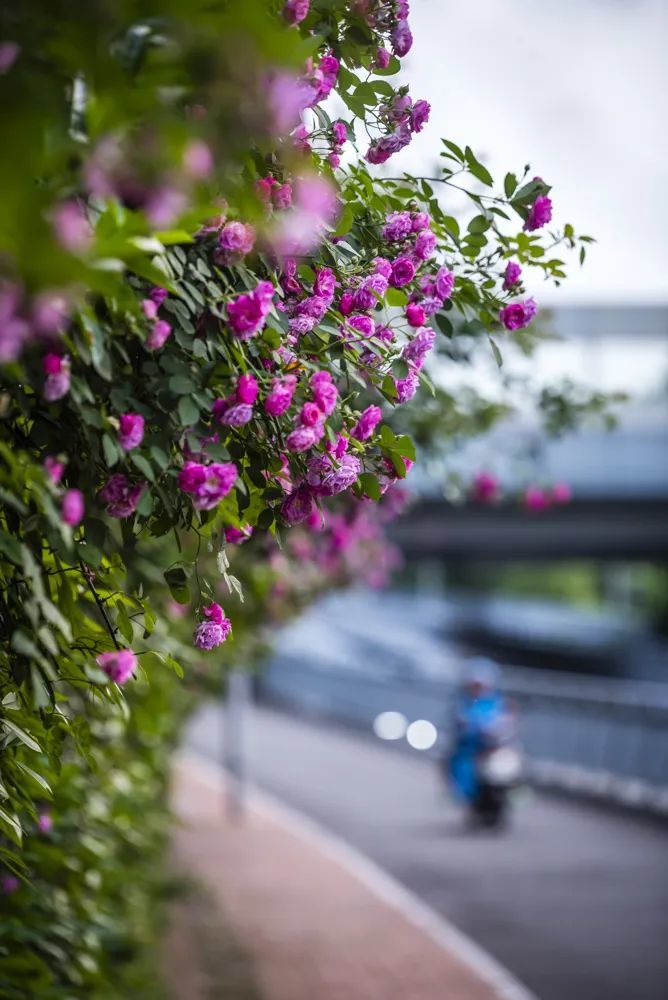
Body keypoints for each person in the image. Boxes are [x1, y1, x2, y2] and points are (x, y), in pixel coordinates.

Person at [447, 657, 513, 808]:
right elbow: (457, 722)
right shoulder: (463, 702)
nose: (477, 688)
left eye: (480, 685)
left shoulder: (499, 702)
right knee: (462, 766)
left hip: (495, 747)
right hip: (471, 748)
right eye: (475, 684)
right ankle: (465, 796)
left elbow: (509, 722)